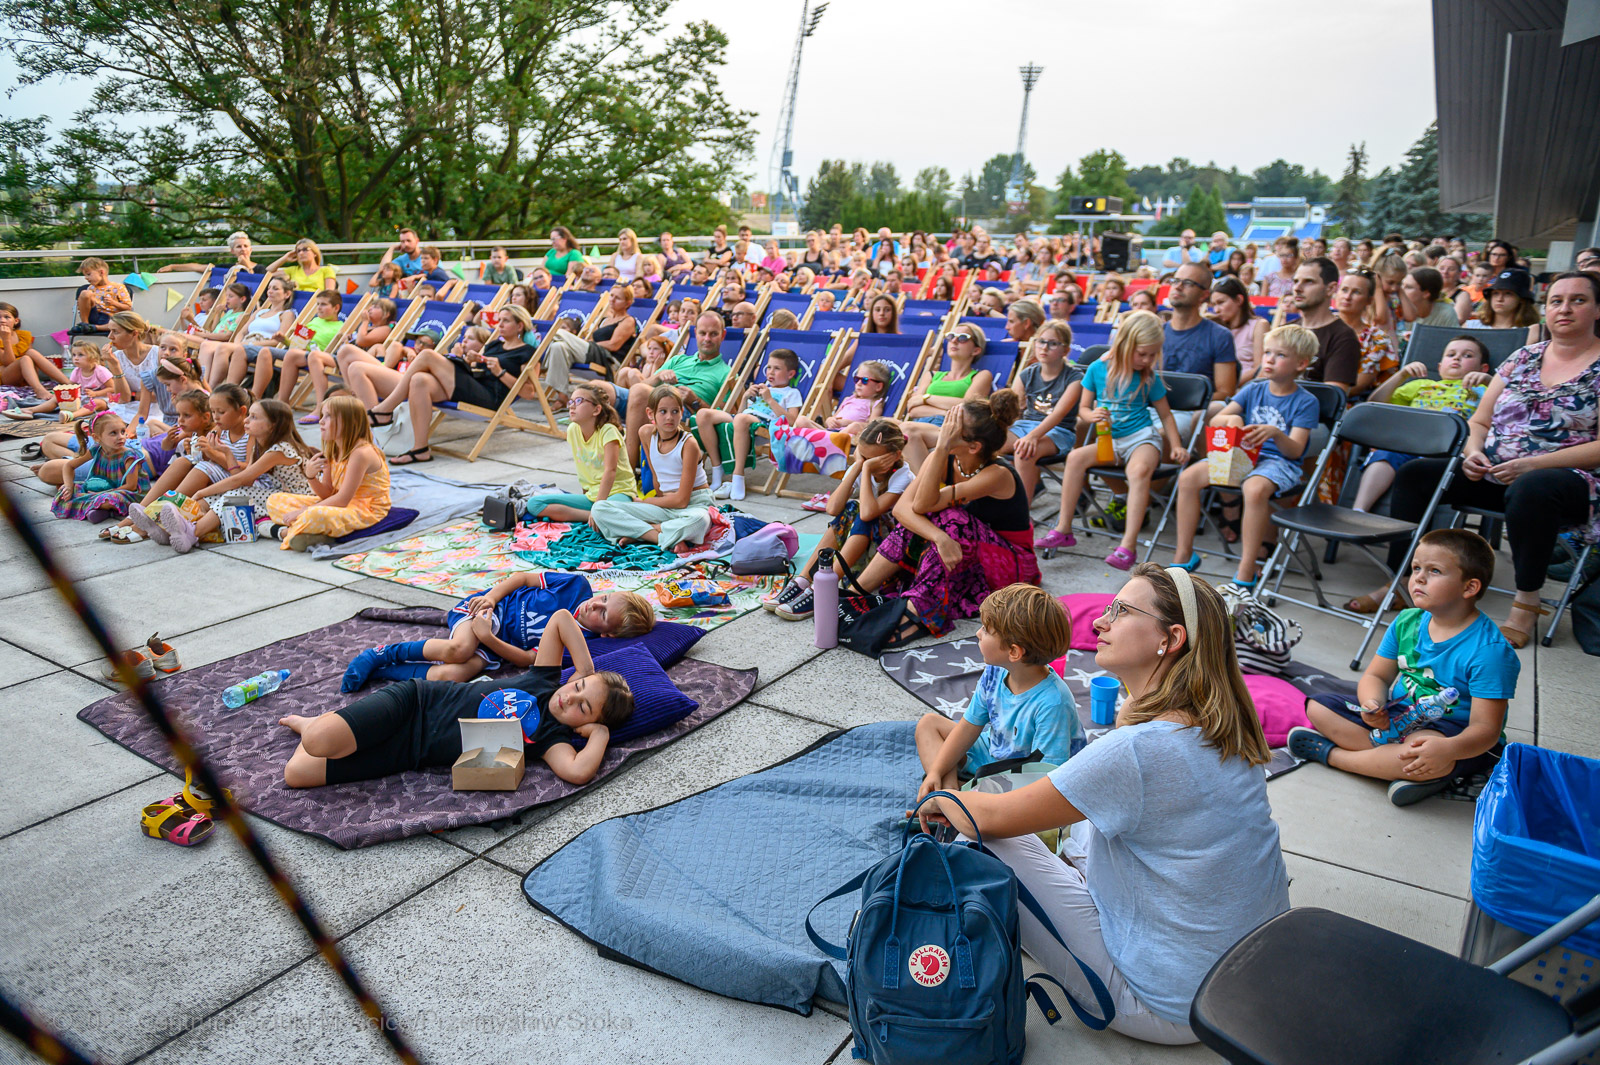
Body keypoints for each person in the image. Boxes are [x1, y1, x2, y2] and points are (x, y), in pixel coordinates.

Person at [916, 564, 1288, 1044]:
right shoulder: (1223, 727)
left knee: (979, 841)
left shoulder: (1138, 749)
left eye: (1121, 610)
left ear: (1170, 638)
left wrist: (940, 799)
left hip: (1165, 1004)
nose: (1099, 622)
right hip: (1243, 982)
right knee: (1079, 827)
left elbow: (990, 818)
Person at [1349, 273, 1600, 647]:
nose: (1563, 308)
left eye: (1577, 300)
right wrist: (1473, 452)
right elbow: (1479, 420)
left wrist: (1532, 464)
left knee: (1533, 488)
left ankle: (1526, 603)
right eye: (1555, 301)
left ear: (1597, 309)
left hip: (1568, 481)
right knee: (1417, 474)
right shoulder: (1523, 358)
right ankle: (1404, 579)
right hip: (1495, 470)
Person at [282, 606, 633, 789]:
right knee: (317, 739)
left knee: (295, 774)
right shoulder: (545, 681)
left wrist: (600, 735)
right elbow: (559, 620)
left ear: (587, 724)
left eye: (583, 707)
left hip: (409, 752)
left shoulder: (552, 740)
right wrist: (585, 671)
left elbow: (577, 772)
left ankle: (333, 727)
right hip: (414, 703)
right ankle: (320, 725)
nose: (568, 699)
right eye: (576, 688)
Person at [1292, 529, 1519, 806]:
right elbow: (1376, 675)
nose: (1418, 578)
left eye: (1434, 571)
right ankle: (1406, 770)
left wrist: (1447, 749)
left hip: (1451, 734)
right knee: (1318, 706)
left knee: (1421, 750)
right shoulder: (1408, 621)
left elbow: (1486, 730)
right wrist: (1372, 704)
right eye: (1416, 568)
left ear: (1469, 587)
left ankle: (1336, 757)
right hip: (1399, 716)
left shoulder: (1490, 652)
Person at [843, 395, 1038, 636]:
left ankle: (917, 612)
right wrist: (939, 538)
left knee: (950, 517)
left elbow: (925, 504)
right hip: (966, 550)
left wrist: (942, 448)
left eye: (953, 425)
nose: (945, 427)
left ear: (974, 446)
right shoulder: (944, 457)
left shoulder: (997, 474)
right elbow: (903, 509)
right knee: (931, 523)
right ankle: (855, 592)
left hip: (1011, 563)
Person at [1169, 325, 1320, 586]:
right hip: (1242, 456)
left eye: (1280, 355)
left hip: (1280, 462)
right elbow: (1217, 419)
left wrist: (1275, 433)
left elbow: (1296, 450)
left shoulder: (1306, 401)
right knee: (1189, 478)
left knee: (1253, 488)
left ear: (1301, 363)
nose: (1270, 359)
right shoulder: (1254, 389)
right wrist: (1234, 418)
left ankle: (1246, 569)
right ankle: (1184, 554)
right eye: (1268, 352)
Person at [1035, 312, 1188, 570]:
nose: (1148, 360)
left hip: (1142, 438)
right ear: (1125, 345)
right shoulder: (1097, 369)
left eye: (1153, 355)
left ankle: (1128, 545)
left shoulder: (1148, 376)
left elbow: (1165, 415)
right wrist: (1091, 414)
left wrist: (1176, 446)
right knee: (1074, 458)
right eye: (1143, 354)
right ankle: (1064, 528)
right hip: (1111, 440)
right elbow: (1083, 409)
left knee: (1138, 471)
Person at [343, 571, 655, 689]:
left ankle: (384, 674)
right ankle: (381, 654)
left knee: (452, 676)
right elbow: (522, 578)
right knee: (459, 650)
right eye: (603, 599)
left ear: (608, 635)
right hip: (488, 609)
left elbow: (523, 659)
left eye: (602, 614)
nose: (594, 605)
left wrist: (489, 638)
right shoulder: (577, 586)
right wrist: (490, 599)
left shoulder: (579, 643)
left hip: (493, 643)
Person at [915, 583, 1082, 797]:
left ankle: (950, 798)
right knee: (929, 724)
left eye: (986, 629)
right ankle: (948, 792)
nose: (977, 633)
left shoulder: (1053, 703)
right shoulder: (994, 672)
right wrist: (936, 772)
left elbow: (1047, 779)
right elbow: (968, 727)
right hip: (991, 753)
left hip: (1023, 775)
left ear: (1013, 651)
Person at [768, 418, 913, 620]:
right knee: (851, 507)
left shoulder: (903, 476)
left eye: (872, 459)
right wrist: (857, 468)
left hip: (888, 555)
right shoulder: (862, 467)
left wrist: (867, 469)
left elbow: (869, 513)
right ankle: (803, 581)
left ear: (895, 455)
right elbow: (833, 508)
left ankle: (823, 588)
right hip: (862, 544)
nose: (866, 462)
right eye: (862, 456)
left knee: (862, 512)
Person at [363, 304, 540, 465]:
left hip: (489, 397)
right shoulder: (494, 345)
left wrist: (500, 372)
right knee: (419, 381)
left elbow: (529, 393)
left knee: (427, 356)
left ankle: (384, 410)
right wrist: (470, 360)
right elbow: (477, 371)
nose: (499, 324)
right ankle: (420, 449)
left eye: (506, 321)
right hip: (473, 385)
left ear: (519, 326)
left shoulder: (528, 353)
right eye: (499, 320)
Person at [148, 399, 317, 552]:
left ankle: (193, 532)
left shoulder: (279, 449)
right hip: (279, 498)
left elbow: (239, 480)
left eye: (254, 417)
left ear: (272, 425)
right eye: (249, 415)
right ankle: (167, 529)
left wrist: (201, 491)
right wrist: (227, 453)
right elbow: (245, 480)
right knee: (219, 496)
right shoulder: (259, 446)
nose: (246, 420)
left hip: (297, 501)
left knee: (235, 494)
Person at [1351, 335, 1491, 513]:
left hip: (1450, 450)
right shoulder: (1421, 385)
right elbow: (1375, 405)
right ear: (1440, 367)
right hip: (1410, 443)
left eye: (1468, 355)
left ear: (1483, 368)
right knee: (1386, 455)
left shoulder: (1484, 390)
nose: (1457, 358)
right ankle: (1359, 510)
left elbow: (1509, 404)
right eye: (1451, 354)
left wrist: (1489, 380)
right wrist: (1402, 375)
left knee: (1423, 470)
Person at [591, 386, 714, 549]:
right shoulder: (646, 434)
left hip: (693, 504)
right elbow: (657, 480)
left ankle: (643, 531)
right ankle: (660, 537)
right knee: (599, 508)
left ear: (682, 412)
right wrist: (649, 506)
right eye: (663, 411)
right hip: (665, 505)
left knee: (699, 522)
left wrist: (645, 502)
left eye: (675, 411)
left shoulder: (688, 444)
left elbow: (682, 501)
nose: (669, 417)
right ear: (651, 414)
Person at [265, 394, 391, 550]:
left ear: (348, 422)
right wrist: (310, 476)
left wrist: (303, 511)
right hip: (340, 504)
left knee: (313, 515)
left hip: (366, 509)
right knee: (274, 500)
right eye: (322, 415)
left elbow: (343, 499)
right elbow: (328, 494)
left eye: (328, 416)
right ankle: (312, 532)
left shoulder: (361, 453)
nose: (321, 421)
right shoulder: (333, 448)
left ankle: (287, 532)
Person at [621, 312, 733, 464]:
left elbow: (729, 415)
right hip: (646, 401)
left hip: (682, 410)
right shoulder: (678, 359)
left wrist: (696, 401)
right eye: (702, 333)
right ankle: (601, 466)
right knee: (598, 390)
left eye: (713, 334)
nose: (707, 339)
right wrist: (658, 377)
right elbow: (640, 387)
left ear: (723, 335)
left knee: (640, 392)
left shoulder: (728, 374)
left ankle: (628, 469)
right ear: (695, 333)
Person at [519, 383, 641, 522]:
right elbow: (583, 468)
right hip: (592, 496)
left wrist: (598, 506)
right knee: (534, 504)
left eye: (579, 401)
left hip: (619, 493)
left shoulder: (608, 431)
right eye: (571, 401)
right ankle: (593, 517)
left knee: (612, 510)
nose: (572, 405)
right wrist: (592, 503)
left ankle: (600, 514)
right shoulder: (573, 430)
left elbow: (610, 471)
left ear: (596, 410)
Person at [698, 348, 804, 500]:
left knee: (741, 420)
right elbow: (741, 413)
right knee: (703, 415)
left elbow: (792, 421)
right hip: (744, 420)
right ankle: (717, 470)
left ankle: (738, 474)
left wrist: (769, 399)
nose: (770, 372)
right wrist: (745, 397)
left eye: (777, 368)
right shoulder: (761, 388)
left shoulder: (791, 393)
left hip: (765, 425)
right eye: (768, 367)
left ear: (791, 374)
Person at [899, 323, 995, 469]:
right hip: (922, 422)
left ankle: (922, 489)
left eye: (963, 338)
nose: (954, 341)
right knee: (878, 426)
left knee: (908, 431)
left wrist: (926, 398)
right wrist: (947, 410)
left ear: (976, 350)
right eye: (951, 336)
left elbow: (968, 406)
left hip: (952, 429)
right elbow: (913, 408)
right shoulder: (931, 375)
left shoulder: (981, 376)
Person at [1005, 319, 1082, 498]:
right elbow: (1013, 407)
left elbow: (1058, 414)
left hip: (1059, 431)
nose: (1044, 348)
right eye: (1041, 341)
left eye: (1053, 343)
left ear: (1066, 350)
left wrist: (1033, 436)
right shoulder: (1027, 374)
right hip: (1026, 426)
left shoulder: (1074, 378)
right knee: (985, 443)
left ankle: (1022, 516)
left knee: (1024, 452)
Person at [1163, 262, 1238, 411]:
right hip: (1151, 410)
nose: (1178, 287)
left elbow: (1225, 392)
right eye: (1175, 281)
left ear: (1204, 295)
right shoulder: (1156, 333)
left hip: (1193, 411)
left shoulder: (1219, 336)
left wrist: (1184, 399)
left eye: (1188, 283)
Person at [50, 411, 149, 522]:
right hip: (101, 488)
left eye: (122, 431)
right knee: (64, 493)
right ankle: (98, 509)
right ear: (97, 438)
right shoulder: (96, 449)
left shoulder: (129, 456)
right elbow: (69, 466)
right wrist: (68, 486)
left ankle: (98, 507)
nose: (121, 437)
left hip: (127, 493)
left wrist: (101, 493)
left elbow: (131, 486)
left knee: (108, 500)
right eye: (113, 433)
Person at [274, 290, 347, 422]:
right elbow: (296, 346)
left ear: (336, 308)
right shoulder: (314, 322)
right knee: (291, 354)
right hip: (308, 355)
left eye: (323, 304)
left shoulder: (342, 327)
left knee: (313, 355)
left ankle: (321, 407)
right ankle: (282, 403)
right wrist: (284, 340)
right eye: (317, 304)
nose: (319, 307)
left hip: (327, 358)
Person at [1292, 258, 1360, 394]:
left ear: (1330, 289)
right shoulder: (1286, 331)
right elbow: (1262, 382)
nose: (1297, 288)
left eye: (1308, 281)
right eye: (1295, 281)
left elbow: (1332, 398)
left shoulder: (1343, 337)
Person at [1339, 269, 1399, 395]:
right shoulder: (1318, 327)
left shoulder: (1377, 339)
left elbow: (1356, 387)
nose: (1347, 296)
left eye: (1356, 292)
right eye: (1344, 290)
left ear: (1369, 301)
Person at [0, 301, 70, 404]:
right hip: (6, 375)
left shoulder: (23, 336)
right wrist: (6, 340)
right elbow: (9, 363)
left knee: (31, 352)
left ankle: (67, 382)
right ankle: (39, 390)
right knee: (25, 358)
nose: (2, 320)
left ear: (16, 321)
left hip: (26, 374)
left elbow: (33, 360)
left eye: (7, 317)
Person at [1208, 277, 1265, 387]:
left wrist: (1230, 384)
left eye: (1221, 302)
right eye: (1214, 304)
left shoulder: (1258, 325)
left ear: (1239, 300)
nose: (1216, 310)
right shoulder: (1217, 329)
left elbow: (1260, 368)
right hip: (1218, 387)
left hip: (1245, 388)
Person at [1468, 269, 1543, 345]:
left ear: (1522, 299)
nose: (1500, 299)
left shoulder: (1529, 331)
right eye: (1496, 293)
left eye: (1508, 294)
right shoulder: (1471, 326)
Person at [74, 257, 133, 336]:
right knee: (85, 293)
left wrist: (113, 303)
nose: (86, 277)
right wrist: (83, 303)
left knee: (122, 323)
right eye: (84, 275)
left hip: (111, 318)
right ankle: (85, 324)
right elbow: (85, 307)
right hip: (94, 316)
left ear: (101, 272)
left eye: (88, 274)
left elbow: (128, 308)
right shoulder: (90, 288)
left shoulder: (118, 287)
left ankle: (95, 328)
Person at [157, 231, 258, 276]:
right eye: (238, 247)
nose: (243, 249)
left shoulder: (260, 268)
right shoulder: (227, 268)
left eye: (245, 246)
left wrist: (246, 265)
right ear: (232, 251)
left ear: (250, 249)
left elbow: (255, 281)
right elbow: (197, 267)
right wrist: (173, 266)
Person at [1399, 266, 1460, 331]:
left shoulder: (1445, 312)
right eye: (1401, 284)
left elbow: (1454, 339)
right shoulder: (1397, 308)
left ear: (1426, 293)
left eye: (1408, 287)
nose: (1401, 290)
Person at [266, 239, 338, 292]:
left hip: (316, 304)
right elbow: (267, 273)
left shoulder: (326, 270)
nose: (301, 253)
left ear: (315, 253)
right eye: (298, 251)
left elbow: (329, 293)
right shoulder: (293, 270)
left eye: (305, 249)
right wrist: (285, 258)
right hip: (297, 304)